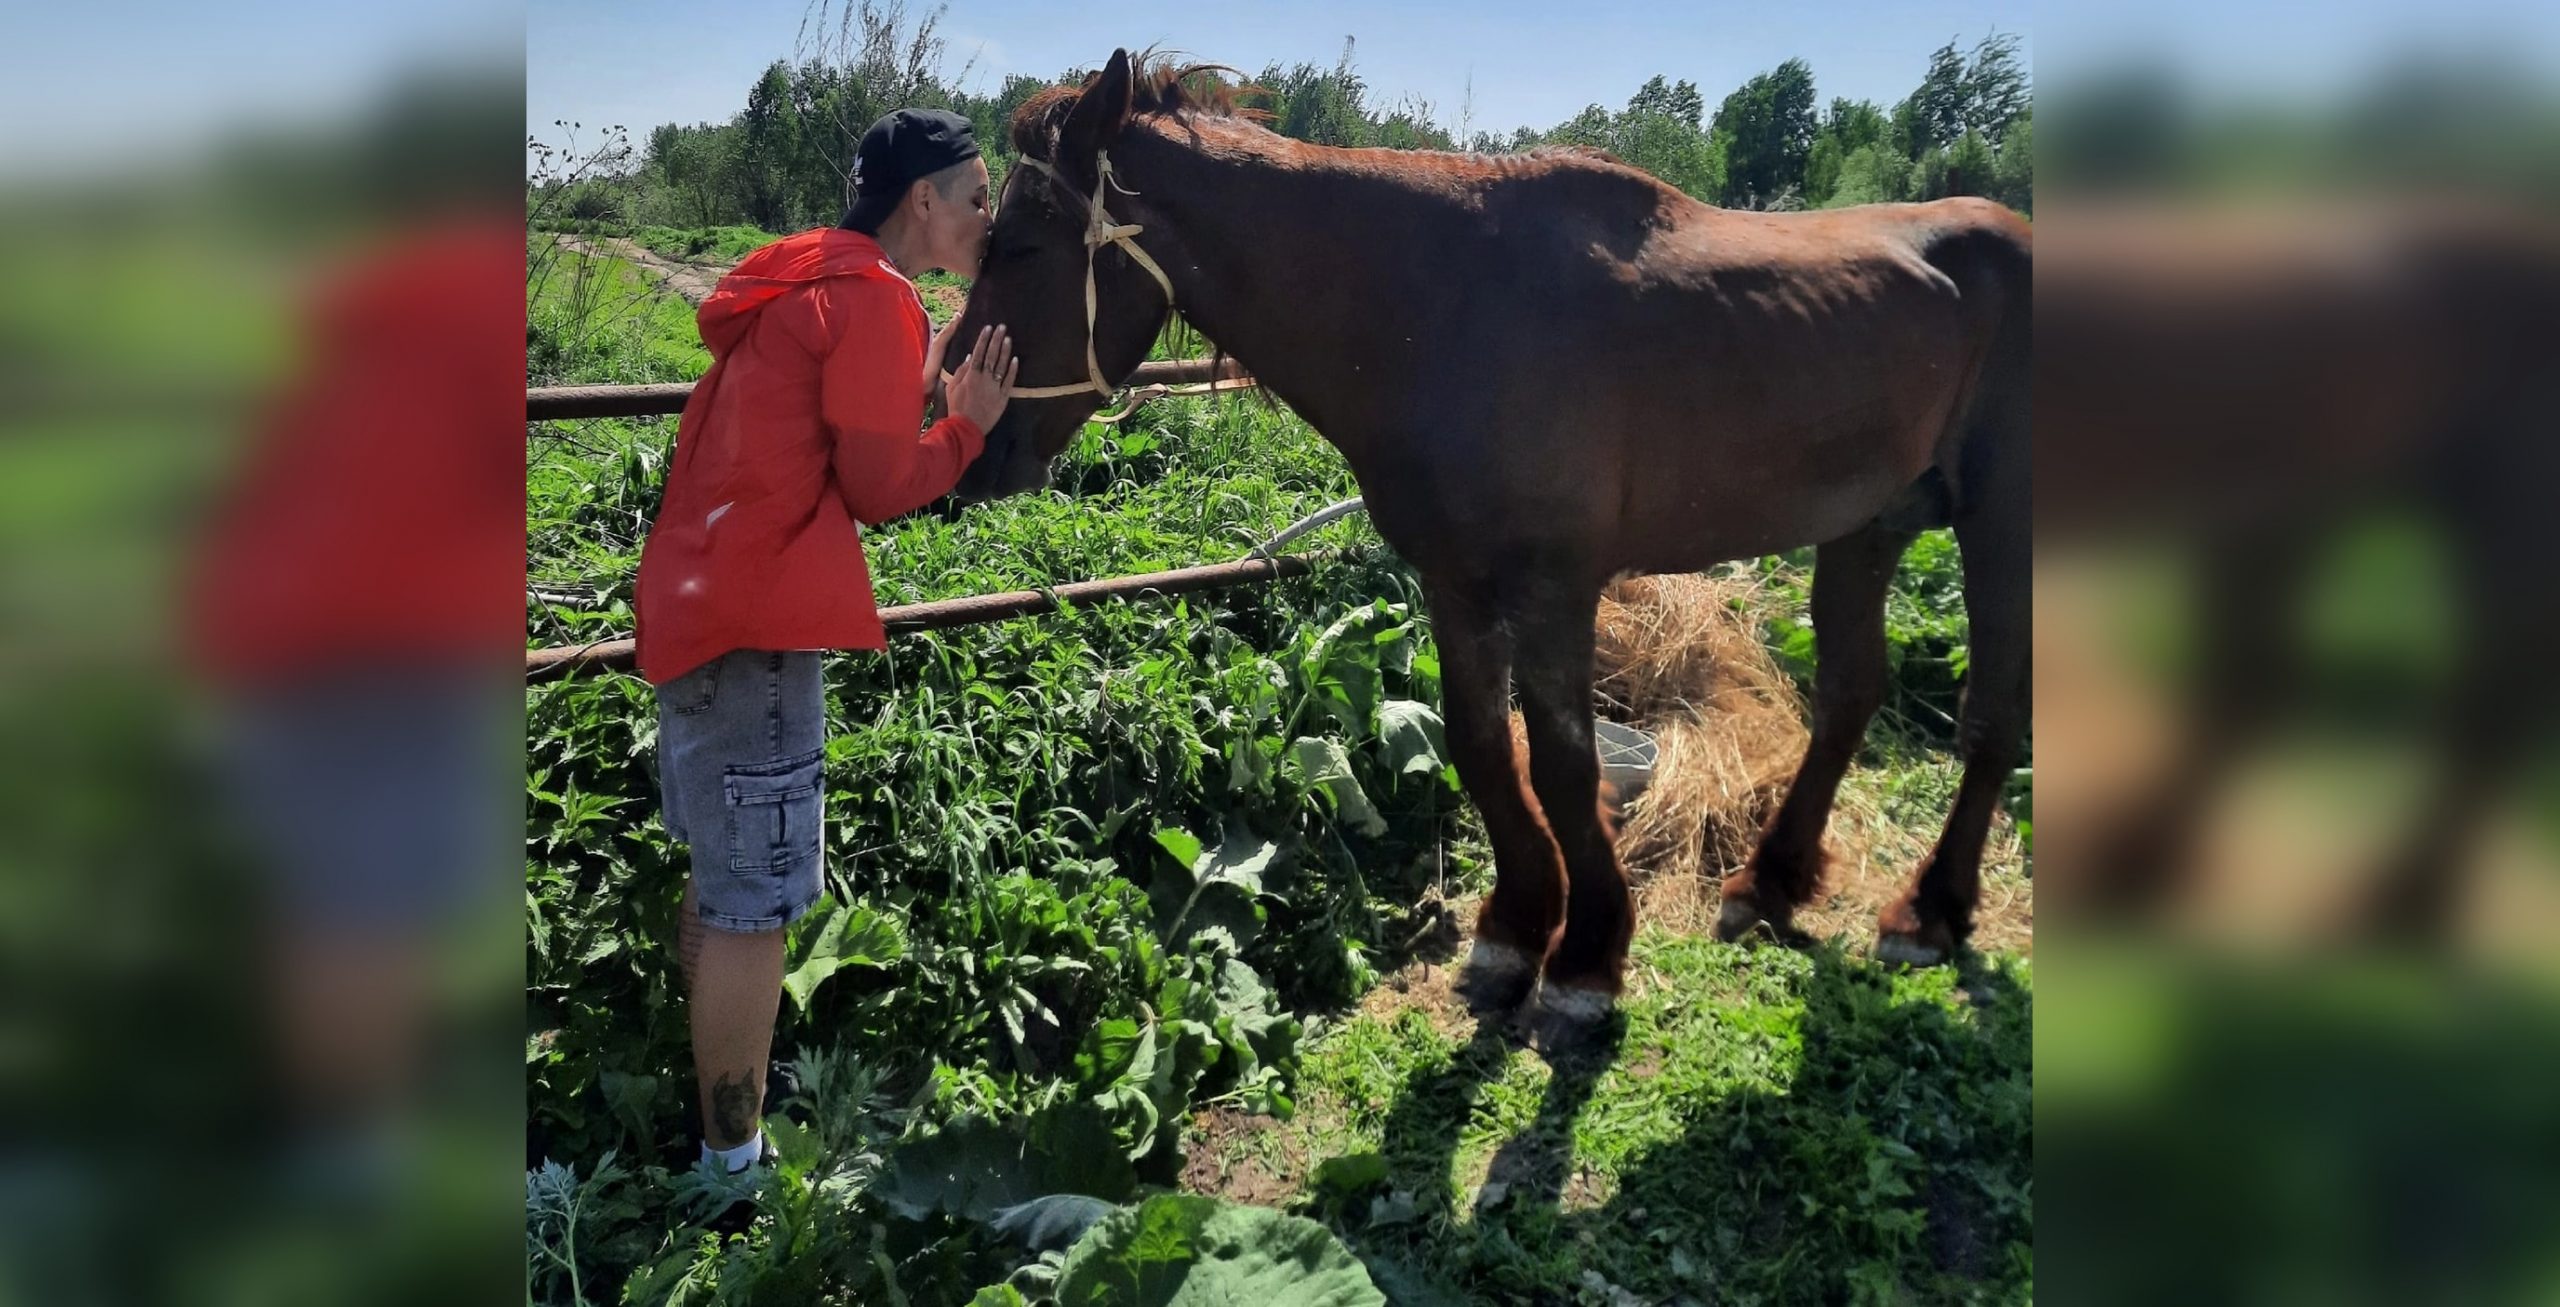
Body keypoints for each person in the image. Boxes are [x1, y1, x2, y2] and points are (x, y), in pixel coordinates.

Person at [632, 107, 1020, 1174]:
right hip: (758, 625)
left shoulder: (810, 280)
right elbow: (881, 486)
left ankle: (714, 1115)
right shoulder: (873, 298)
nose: (988, 216)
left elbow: (825, 429)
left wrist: (922, 371)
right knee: (753, 906)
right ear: (923, 201)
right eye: (976, 196)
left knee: (723, 880)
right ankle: (732, 1168)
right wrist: (969, 421)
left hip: (702, 601)